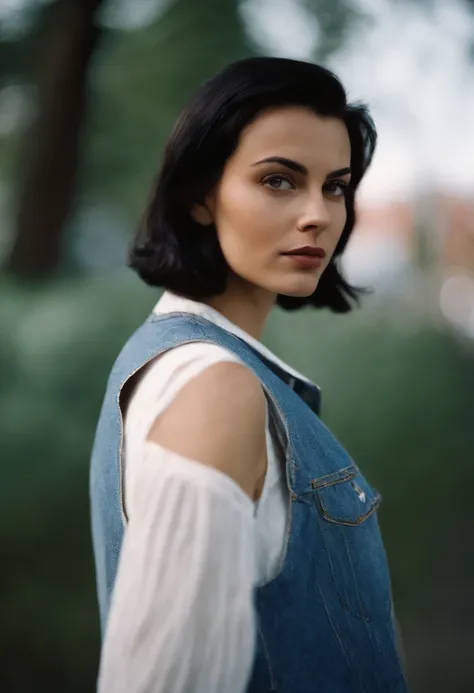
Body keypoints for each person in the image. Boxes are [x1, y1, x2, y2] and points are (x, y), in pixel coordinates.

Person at [89, 56, 409, 693]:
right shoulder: (213, 388)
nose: (318, 213)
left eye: (336, 186)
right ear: (201, 196)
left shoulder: (188, 366)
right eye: (279, 180)